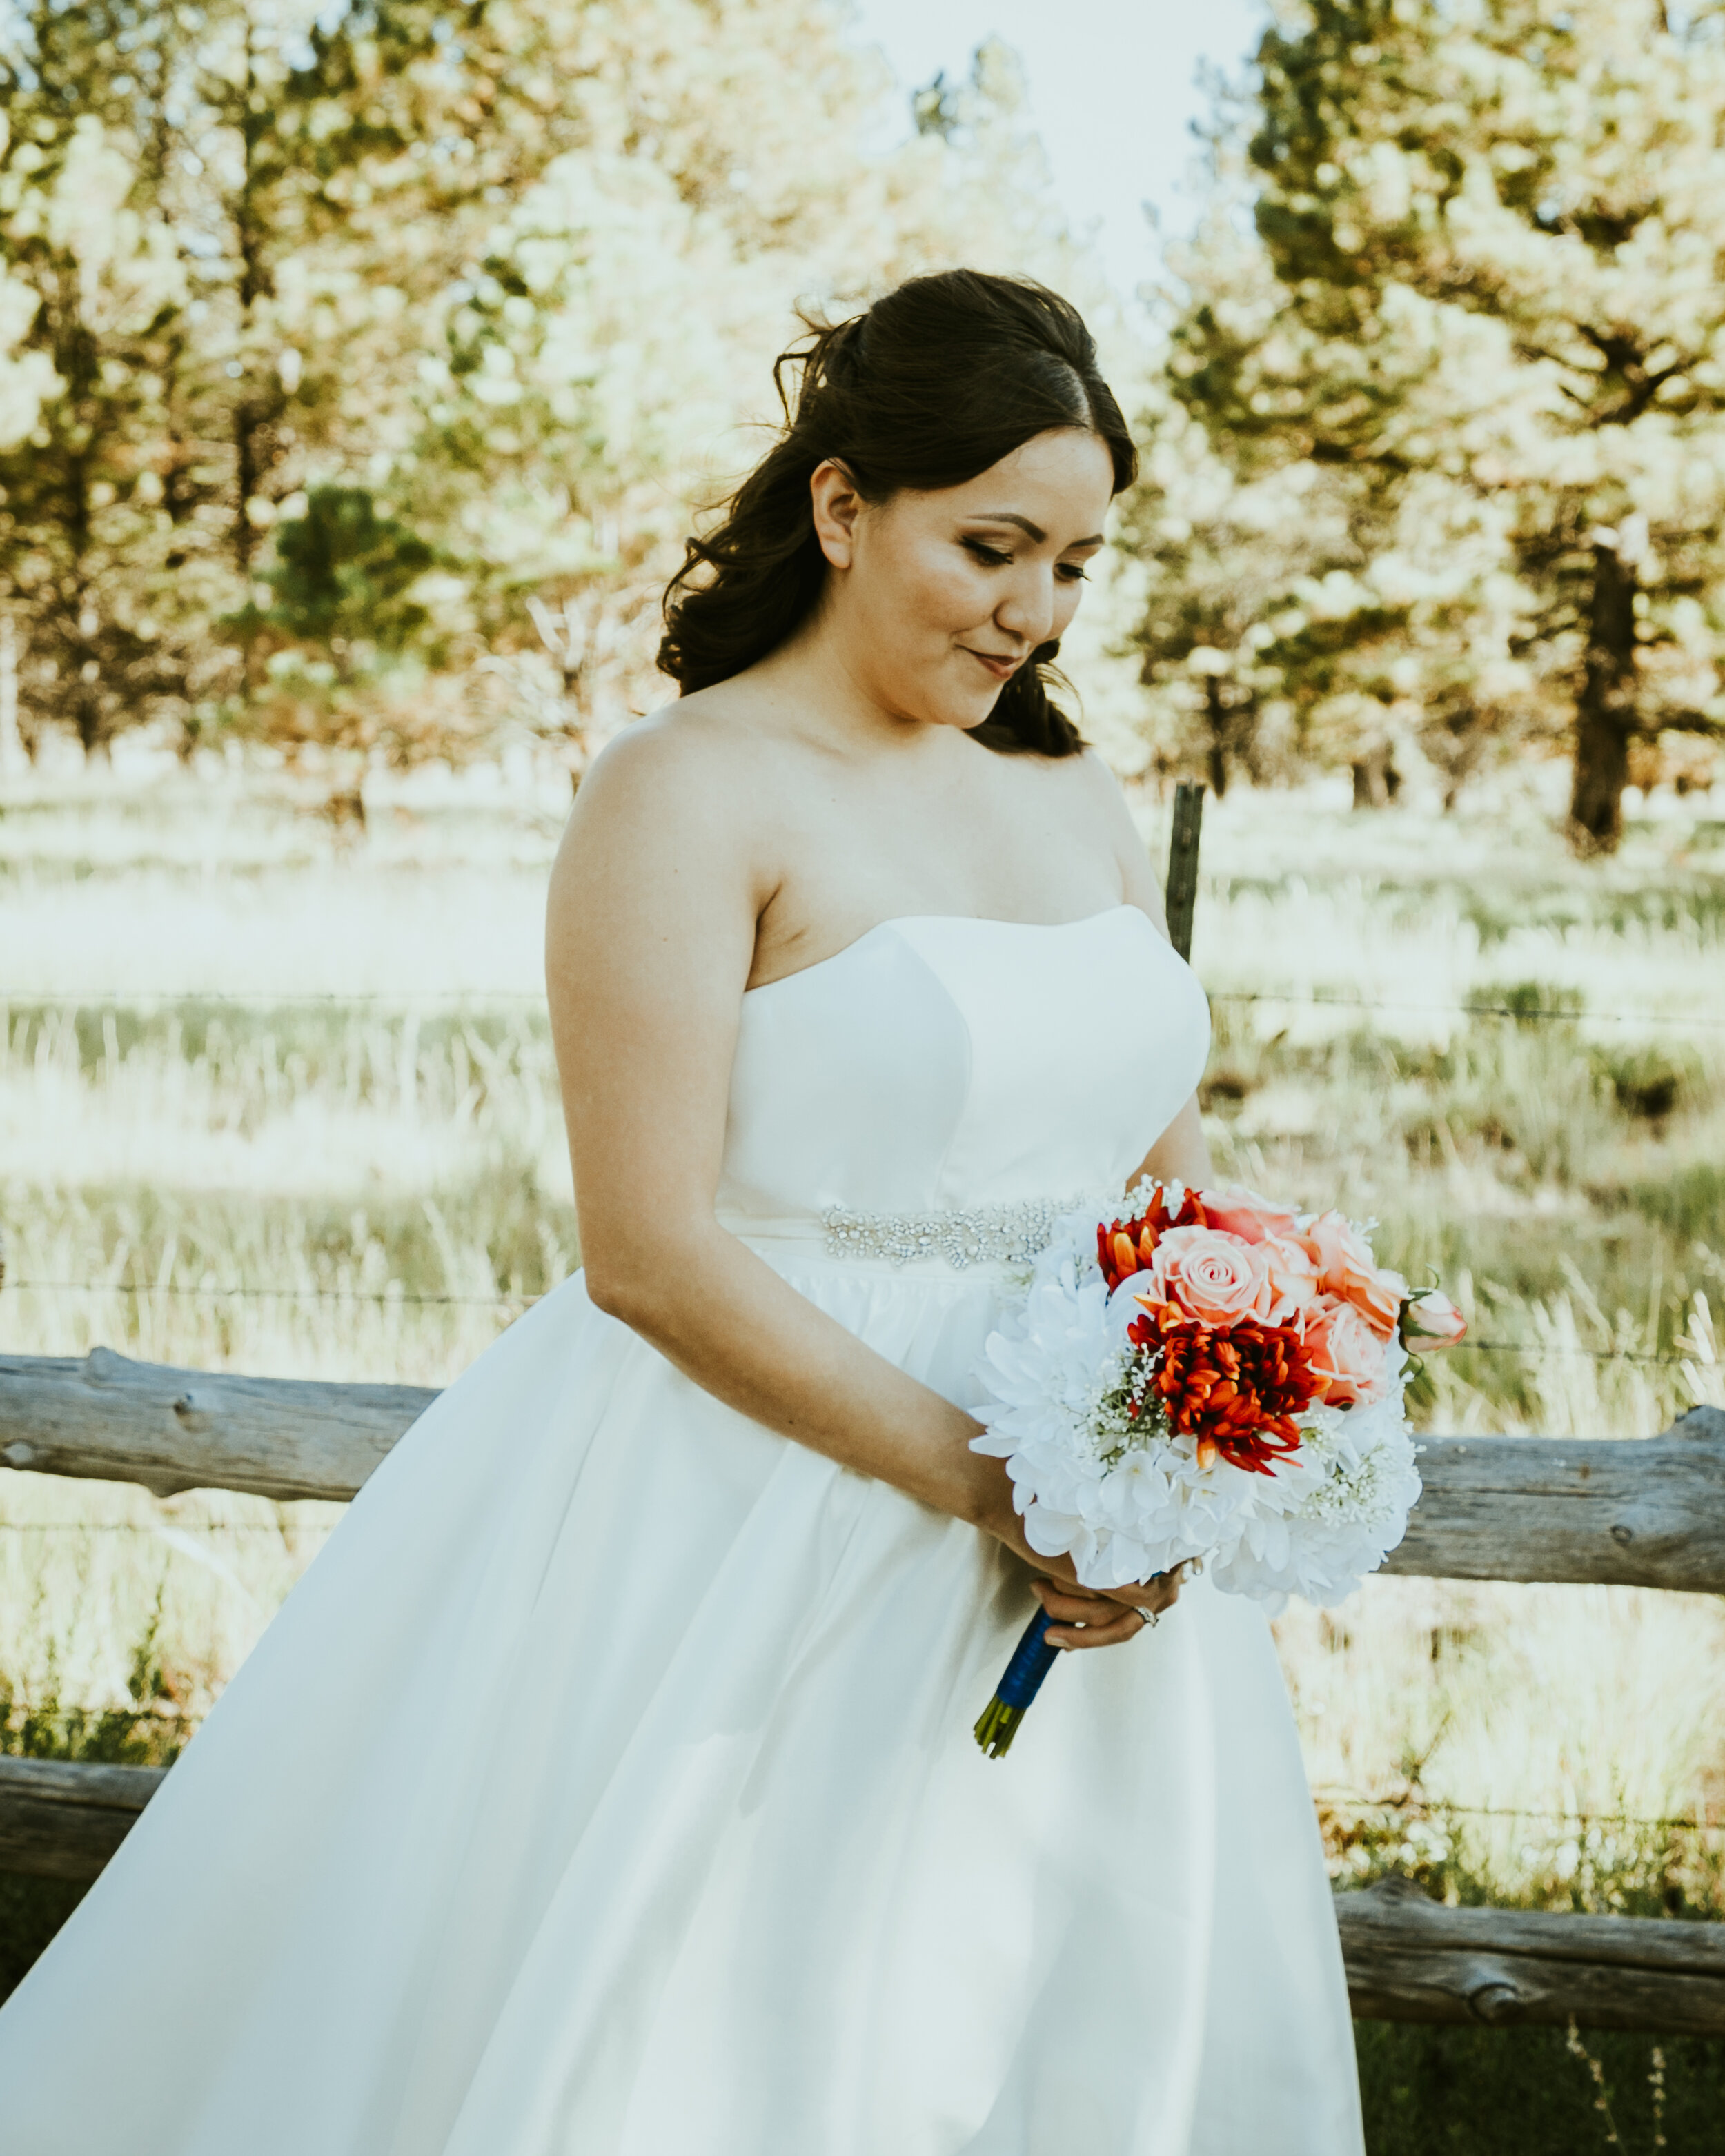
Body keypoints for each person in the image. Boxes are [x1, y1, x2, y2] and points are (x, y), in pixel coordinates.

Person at [0, 270, 1363, 2153]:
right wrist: (996, 1484)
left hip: (1094, 1521)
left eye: (1073, 564)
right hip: (760, 1500)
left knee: (1021, 2009)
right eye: (990, 548)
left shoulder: (1073, 794)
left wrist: (1269, 1337)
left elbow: (1153, 1171)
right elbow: (644, 1250)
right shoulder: (685, 791)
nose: (1032, 613)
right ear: (838, 506)